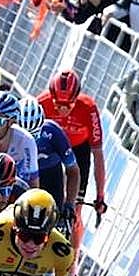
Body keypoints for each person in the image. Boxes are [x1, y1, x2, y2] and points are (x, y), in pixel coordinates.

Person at [38, 70, 106, 212]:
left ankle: (74, 227)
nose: (63, 110)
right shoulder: (41, 103)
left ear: (76, 98)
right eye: (58, 104)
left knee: (75, 209)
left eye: (68, 105)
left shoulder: (88, 108)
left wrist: (100, 196)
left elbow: (98, 154)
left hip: (78, 150)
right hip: (51, 150)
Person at [16, 97, 79, 229]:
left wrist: (69, 205)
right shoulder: (8, 134)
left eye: (34, 135)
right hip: (22, 178)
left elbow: (73, 171)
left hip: (50, 178)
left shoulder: (53, 132)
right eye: (26, 136)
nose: (30, 141)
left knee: (53, 224)